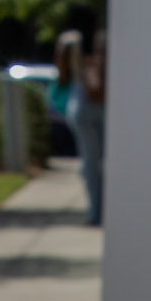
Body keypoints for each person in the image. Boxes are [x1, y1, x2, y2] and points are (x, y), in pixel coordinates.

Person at [64, 18, 106, 229]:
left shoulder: (70, 42)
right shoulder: (105, 39)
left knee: (90, 161)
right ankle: (103, 209)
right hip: (102, 104)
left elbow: (63, 74)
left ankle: (95, 211)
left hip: (82, 103)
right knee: (102, 161)